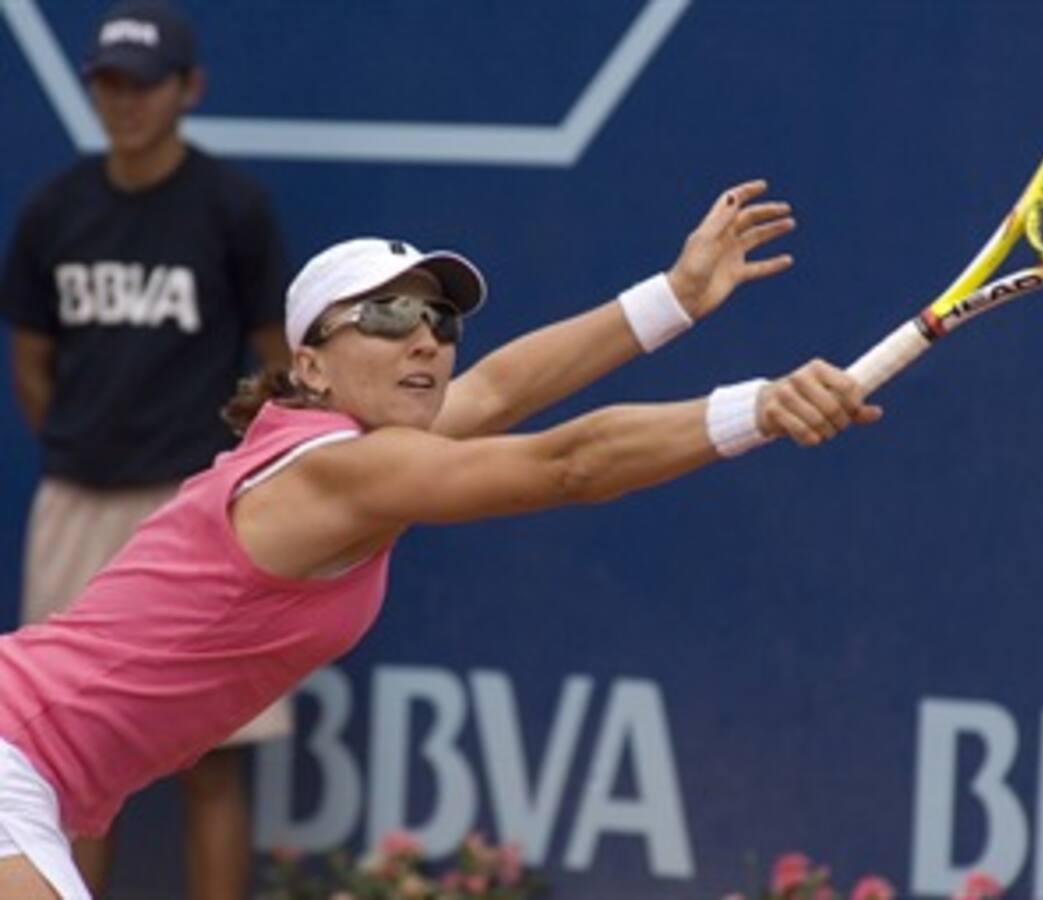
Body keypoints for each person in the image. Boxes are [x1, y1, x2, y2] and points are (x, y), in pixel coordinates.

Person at [0, 177, 881, 900]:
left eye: (438, 322)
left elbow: (497, 390)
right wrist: (755, 408)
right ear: (310, 363)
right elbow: (567, 464)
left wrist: (676, 298)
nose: (423, 338)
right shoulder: (340, 473)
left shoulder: (331, 445)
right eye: (384, 319)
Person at [0, 1, 292, 897]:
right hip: (78, 502)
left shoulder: (229, 208)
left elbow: (279, 359)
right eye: (107, 84)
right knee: (66, 767)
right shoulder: (56, 211)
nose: (122, 102)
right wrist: (86, 447)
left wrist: (226, 481)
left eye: (142, 84)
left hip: (196, 509)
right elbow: (33, 360)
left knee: (212, 758)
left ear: (187, 89)